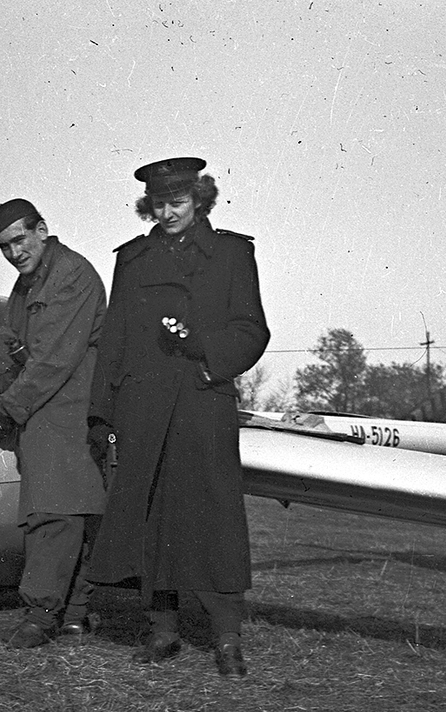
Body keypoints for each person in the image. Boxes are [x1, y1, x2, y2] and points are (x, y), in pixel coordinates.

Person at [86, 157, 270, 676]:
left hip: (201, 401)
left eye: (179, 202)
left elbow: (252, 330)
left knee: (214, 517)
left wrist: (202, 351)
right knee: (150, 516)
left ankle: (226, 636)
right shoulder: (133, 259)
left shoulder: (233, 254)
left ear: (199, 201)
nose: (168, 212)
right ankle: (162, 631)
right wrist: (102, 413)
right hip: (143, 407)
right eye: (159, 204)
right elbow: (115, 339)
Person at [0, 199, 108, 648]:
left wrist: (6, 409)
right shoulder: (28, 283)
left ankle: (41, 615)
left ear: (42, 229)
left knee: (54, 514)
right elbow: (19, 343)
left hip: (66, 408)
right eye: (4, 246)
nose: (14, 252)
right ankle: (73, 613)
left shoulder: (70, 273)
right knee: (68, 511)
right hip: (47, 410)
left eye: (19, 239)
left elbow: (52, 359)